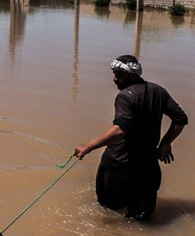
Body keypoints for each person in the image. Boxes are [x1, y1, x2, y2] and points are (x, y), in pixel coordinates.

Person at [74, 55, 188, 221]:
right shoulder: (158, 90)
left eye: (118, 74)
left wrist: (88, 146)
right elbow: (180, 119)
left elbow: (120, 129)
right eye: (114, 73)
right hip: (148, 166)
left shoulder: (125, 97)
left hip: (119, 165)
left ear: (131, 75)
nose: (114, 78)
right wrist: (165, 143)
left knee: (108, 213)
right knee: (142, 216)